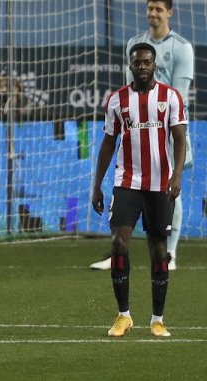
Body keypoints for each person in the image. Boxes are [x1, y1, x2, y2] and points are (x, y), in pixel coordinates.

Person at [91, 42, 187, 337]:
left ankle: (157, 319)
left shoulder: (170, 97)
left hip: (160, 185)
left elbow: (180, 139)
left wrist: (177, 175)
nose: (142, 66)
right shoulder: (117, 100)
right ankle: (123, 316)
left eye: (147, 62)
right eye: (137, 62)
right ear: (130, 65)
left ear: (154, 65)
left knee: (158, 251)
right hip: (127, 183)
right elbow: (109, 143)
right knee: (119, 243)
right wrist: (97, 185)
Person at [91, 0, 193, 271]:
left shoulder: (182, 48)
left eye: (159, 9)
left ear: (169, 12)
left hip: (168, 124)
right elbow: (131, 88)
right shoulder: (134, 43)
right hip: (138, 125)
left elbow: (180, 94)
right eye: (149, 8)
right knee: (130, 187)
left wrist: (163, 119)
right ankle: (119, 250)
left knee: (170, 185)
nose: (153, 13)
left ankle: (169, 253)